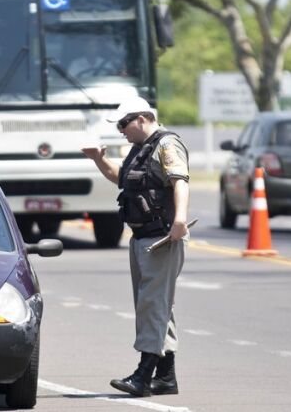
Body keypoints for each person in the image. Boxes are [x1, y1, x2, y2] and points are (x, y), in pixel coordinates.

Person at [81, 96, 189, 397]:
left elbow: (180, 181)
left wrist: (180, 220)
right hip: (141, 238)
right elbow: (122, 180)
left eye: (123, 123)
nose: (120, 130)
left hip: (161, 239)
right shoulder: (141, 149)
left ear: (142, 118)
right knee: (159, 307)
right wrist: (99, 159)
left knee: (152, 305)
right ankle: (166, 377)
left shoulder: (167, 145)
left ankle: (143, 376)